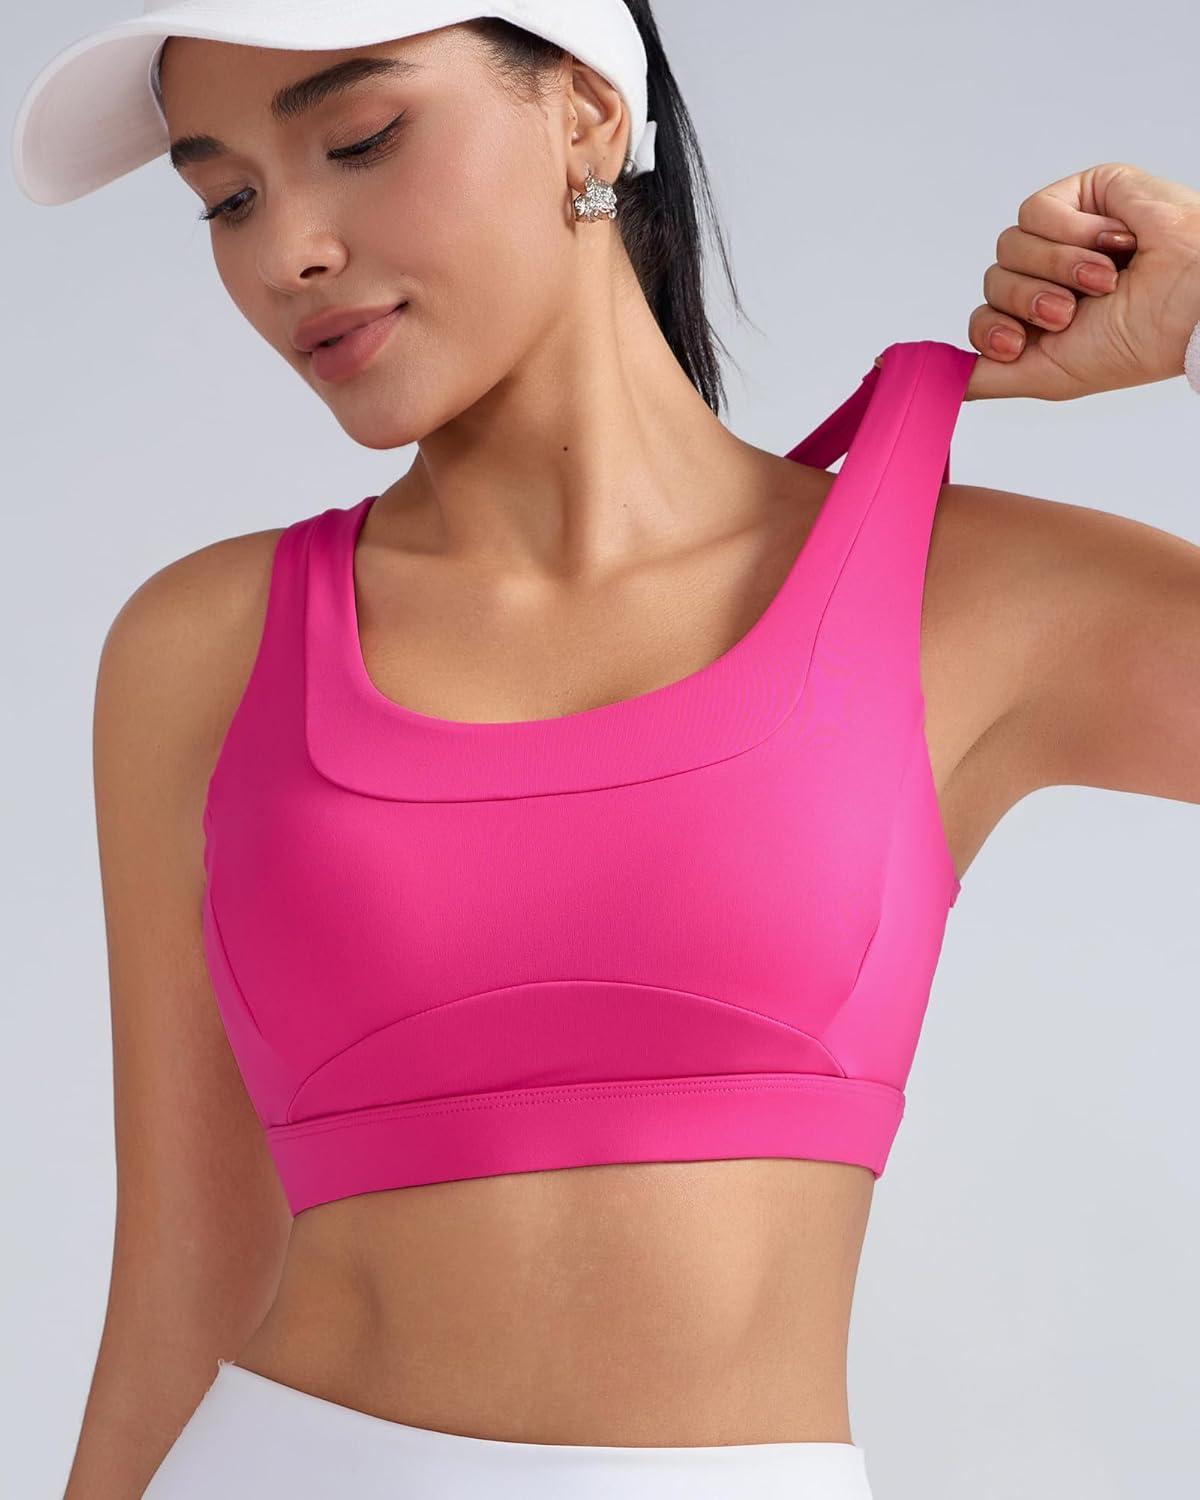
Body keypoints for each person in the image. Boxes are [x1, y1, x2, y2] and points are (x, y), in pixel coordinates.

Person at [11, 3, 1199, 1497]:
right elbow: (173, 1298)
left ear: (584, 112)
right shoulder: (205, 645)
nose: (285, 253)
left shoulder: (970, 593)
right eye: (226, 196)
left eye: (360, 140)